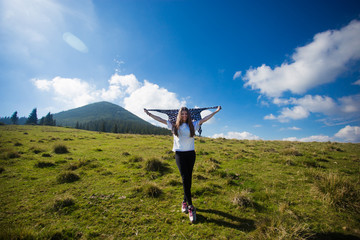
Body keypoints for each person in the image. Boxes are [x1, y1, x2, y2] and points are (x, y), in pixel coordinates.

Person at [144, 106, 221, 223]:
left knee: (188, 179)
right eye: (182, 114)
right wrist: (149, 115)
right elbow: (160, 119)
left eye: (186, 114)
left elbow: (205, 119)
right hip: (179, 155)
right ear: (179, 115)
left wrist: (215, 112)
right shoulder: (174, 125)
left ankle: (184, 202)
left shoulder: (193, 125)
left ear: (188, 115)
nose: (184, 115)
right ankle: (190, 206)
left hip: (191, 154)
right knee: (185, 178)